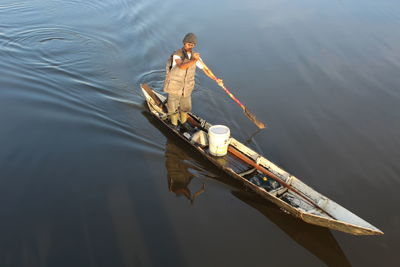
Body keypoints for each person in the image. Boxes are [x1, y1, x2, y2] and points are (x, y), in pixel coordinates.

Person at [163, 33, 223, 127]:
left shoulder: (195, 57)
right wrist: (194, 60)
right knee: (172, 107)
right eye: (188, 44)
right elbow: (182, 67)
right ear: (184, 43)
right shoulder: (177, 54)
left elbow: (205, 69)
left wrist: (216, 79)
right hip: (174, 85)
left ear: (194, 45)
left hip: (187, 87)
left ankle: (183, 124)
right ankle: (174, 125)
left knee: (186, 107)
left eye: (192, 45)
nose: (190, 46)